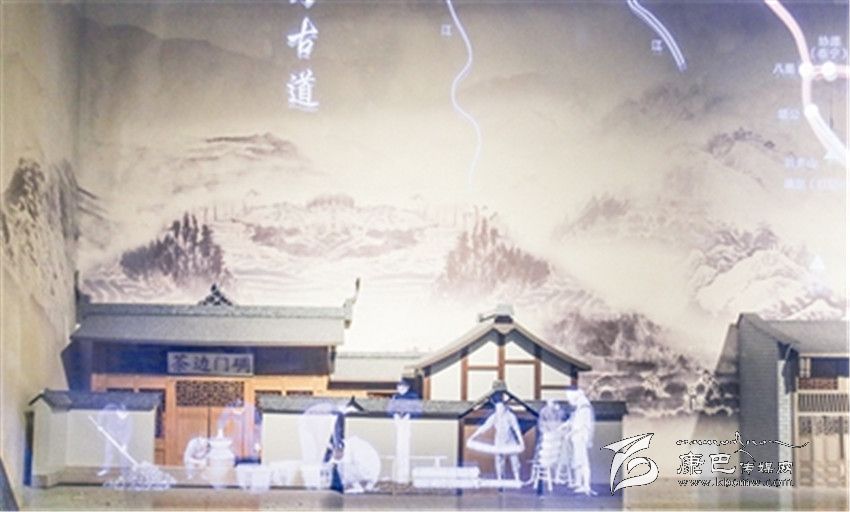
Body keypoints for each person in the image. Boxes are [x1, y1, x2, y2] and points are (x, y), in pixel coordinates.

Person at [466, 398, 525, 481]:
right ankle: (499, 478)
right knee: (499, 460)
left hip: (510, 440)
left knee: (514, 458)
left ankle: (517, 477)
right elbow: (484, 427)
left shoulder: (511, 416)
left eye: (501, 409)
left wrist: (521, 442)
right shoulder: (494, 416)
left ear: (504, 408)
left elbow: (516, 429)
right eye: (498, 409)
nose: (499, 411)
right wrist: (473, 436)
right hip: (499, 441)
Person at [562, 388, 595, 495]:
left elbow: (578, 425)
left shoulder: (584, 407)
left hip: (580, 437)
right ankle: (579, 483)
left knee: (582, 461)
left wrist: (569, 434)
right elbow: (573, 420)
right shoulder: (580, 406)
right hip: (578, 437)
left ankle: (585, 485)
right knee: (578, 460)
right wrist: (565, 426)